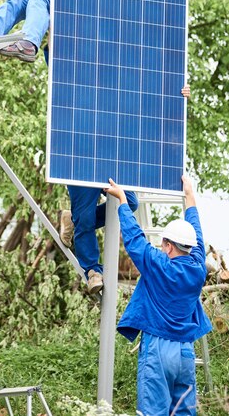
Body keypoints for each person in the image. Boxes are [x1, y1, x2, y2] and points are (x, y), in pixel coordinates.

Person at [59, 85, 191, 295]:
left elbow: (151, 98)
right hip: (82, 154)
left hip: (110, 153)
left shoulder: (120, 85)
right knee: (84, 218)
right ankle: (92, 270)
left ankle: (72, 220)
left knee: (130, 202)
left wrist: (176, 96)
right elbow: (63, 72)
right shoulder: (85, 81)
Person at [105, 175, 212, 416]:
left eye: (163, 243)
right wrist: (190, 196)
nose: (161, 247)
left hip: (158, 349)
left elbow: (134, 241)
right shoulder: (198, 267)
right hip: (186, 351)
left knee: (153, 412)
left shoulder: (158, 266)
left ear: (170, 246)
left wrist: (122, 199)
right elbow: (196, 232)